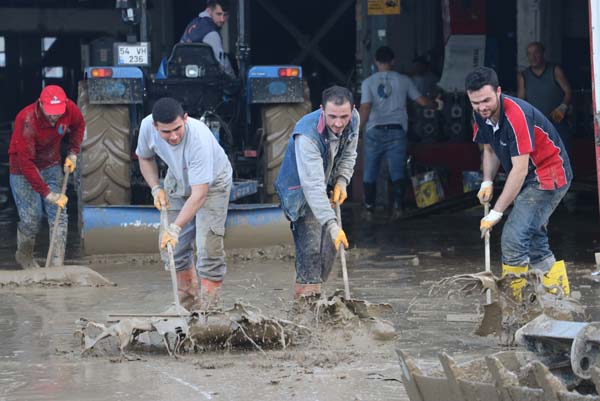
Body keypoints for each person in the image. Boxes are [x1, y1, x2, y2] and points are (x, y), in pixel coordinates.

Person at [467, 67, 572, 294]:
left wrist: (496, 212)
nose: (481, 107)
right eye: (475, 102)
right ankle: (558, 298)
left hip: (549, 174)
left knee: (514, 237)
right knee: (534, 239)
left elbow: (519, 171)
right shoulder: (480, 114)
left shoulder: (516, 115)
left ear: (499, 91)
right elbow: (490, 149)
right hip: (529, 176)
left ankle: (513, 304)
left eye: (486, 100)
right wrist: (487, 181)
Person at [136, 97, 232, 310]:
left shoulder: (199, 140)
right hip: (178, 178)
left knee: (208, 251)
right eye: (166, 132)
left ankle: (209, 312)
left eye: (177, 129)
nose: (173, 136)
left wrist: (176, 227)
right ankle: (187, 309)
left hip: (213, 183)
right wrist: (155, 187)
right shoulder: (146, 127)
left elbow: (199, 195)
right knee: (173, 250)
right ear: (155, 126)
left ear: (186, 119)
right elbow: (145, 158)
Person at [275, 86, 359, 299]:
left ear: (352, 110)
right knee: (312, 251)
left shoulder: (354, 120)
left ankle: (314, 299)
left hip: (326, 180)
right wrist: (332, 225)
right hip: (301, 191)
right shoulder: (307, 135)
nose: (338, 123)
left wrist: (341, 181)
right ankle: (305, 306)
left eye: (344, 116)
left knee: (327, 253)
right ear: (322, 110)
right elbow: (312, 187)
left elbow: (349, 153)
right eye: (332, 116)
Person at [359, 46, 439, 220]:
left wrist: (356, 129)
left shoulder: (368, 83)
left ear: (376, 62)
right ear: (393, 62)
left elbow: (365, 107)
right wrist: (435, 104)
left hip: (374, 131)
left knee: (370, 170)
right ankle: (398, 208)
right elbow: (421, 101)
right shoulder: (404, 80)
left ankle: (369, 209)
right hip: (397, 132)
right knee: (397, 171)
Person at [8, 85, 84, 269]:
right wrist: (47, 193)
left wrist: (73, 152)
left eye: (58, 113)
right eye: (50, 112)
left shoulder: (70, 110)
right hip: (23, 170)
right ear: (41, 104)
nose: (54, 117)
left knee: (59, 212)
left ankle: (56, 264)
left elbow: (79, 126)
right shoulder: (26, 120)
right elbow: (26, 163)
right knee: (31, 218)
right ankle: (24, 256)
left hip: (51, 164)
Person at [517, 42, 573, 153]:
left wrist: (562, 108)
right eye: (529, 54)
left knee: (563, 155)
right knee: (539, 158)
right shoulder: (523, 76)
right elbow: (521, 101)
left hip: (557, 122)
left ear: (543, 53)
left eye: (536, 53)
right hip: (536, 125)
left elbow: (568, 92)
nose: (533, 57)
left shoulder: (555, 70)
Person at [180, 0, 235, 78]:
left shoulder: (194, 23)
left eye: (225, 15)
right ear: (209, 11)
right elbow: (223, 64)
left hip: (182, 75)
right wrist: (233, 78)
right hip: (203, 81)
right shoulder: (211, 33)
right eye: (218, 14)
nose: (222, 19)